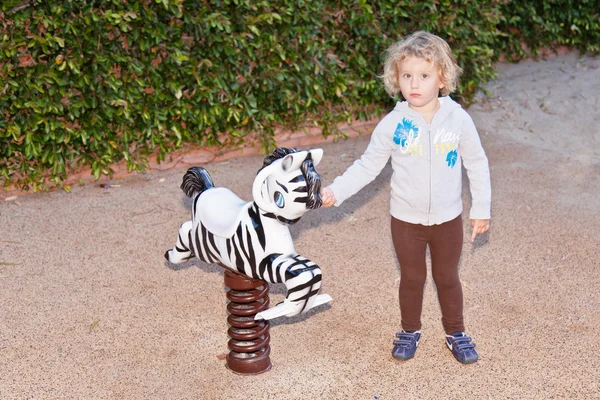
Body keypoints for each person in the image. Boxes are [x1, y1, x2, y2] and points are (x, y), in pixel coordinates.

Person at [320, 31, 491, 364]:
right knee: (412, 278)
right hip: (406, 220)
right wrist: (335, 191)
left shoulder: (458, 119)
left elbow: (477, 163)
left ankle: (456, 332)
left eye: (424, 76)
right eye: (407, 76)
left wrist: (480, 209)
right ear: (396, 79)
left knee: (447, 277)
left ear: (442, 78)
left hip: (448, 218)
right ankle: (409, 330)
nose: (414, 84)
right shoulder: (393, 123)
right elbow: (368, 165)